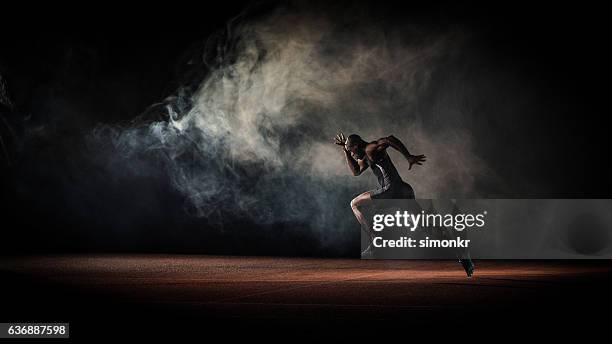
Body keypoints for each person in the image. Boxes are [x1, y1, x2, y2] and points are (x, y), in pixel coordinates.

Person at [334, 132, 474, 277]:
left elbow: (389, 139)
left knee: (355, 204)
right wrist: (345, 150)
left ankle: (375, 240)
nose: (352, 154)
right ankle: (463, 256)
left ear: (356, 146)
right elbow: (356, 171)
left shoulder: (371, 148)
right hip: (403, 190)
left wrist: (408, 156)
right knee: (429, 229)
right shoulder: (366, 155)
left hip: (390, 191)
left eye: (351, 151)